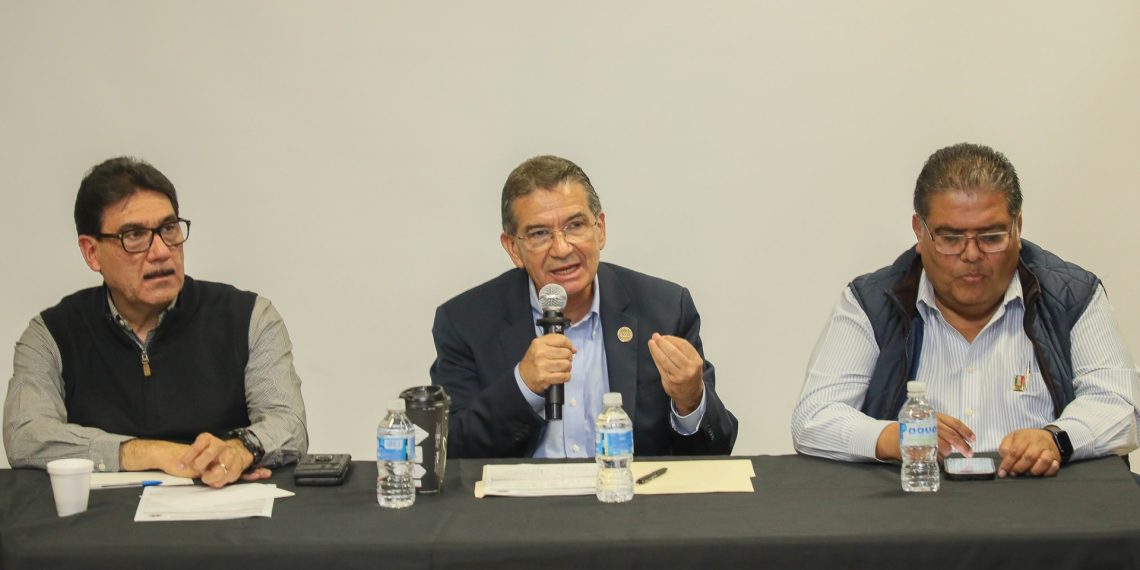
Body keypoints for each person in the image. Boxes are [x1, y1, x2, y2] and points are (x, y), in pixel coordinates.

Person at [791, 143, 1138, 478]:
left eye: (991, 237)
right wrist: (895, 436)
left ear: (1017, 228)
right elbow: (813, 417)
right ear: (919, 232)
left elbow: (1122, 407)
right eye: (950, 238)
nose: (971, 254)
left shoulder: (1072, 296)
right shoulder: (872, 302)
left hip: (1042, 502)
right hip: (916, 501)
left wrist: (1056, 439)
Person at [3, 157, 308, 488]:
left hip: (225, 507)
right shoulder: (51, 335)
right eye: (134, 235)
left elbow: (288, 423)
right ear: (92, 252)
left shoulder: (248, 317)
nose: (161, 251)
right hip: (102, 515)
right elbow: (25, 435)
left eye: (169, 229)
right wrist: (149, 453)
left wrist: (240, 449)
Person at [431, 155, 738, 458]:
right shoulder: (465, 322)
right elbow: (451, 450)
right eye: (539, 234)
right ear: (514, 248)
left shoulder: (665, 308)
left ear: (599, 229)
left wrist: (690, 401)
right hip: (525, 493)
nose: (562, 248)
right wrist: (523, 387)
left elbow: (716, 451)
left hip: (628, 489)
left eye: (575, 225)